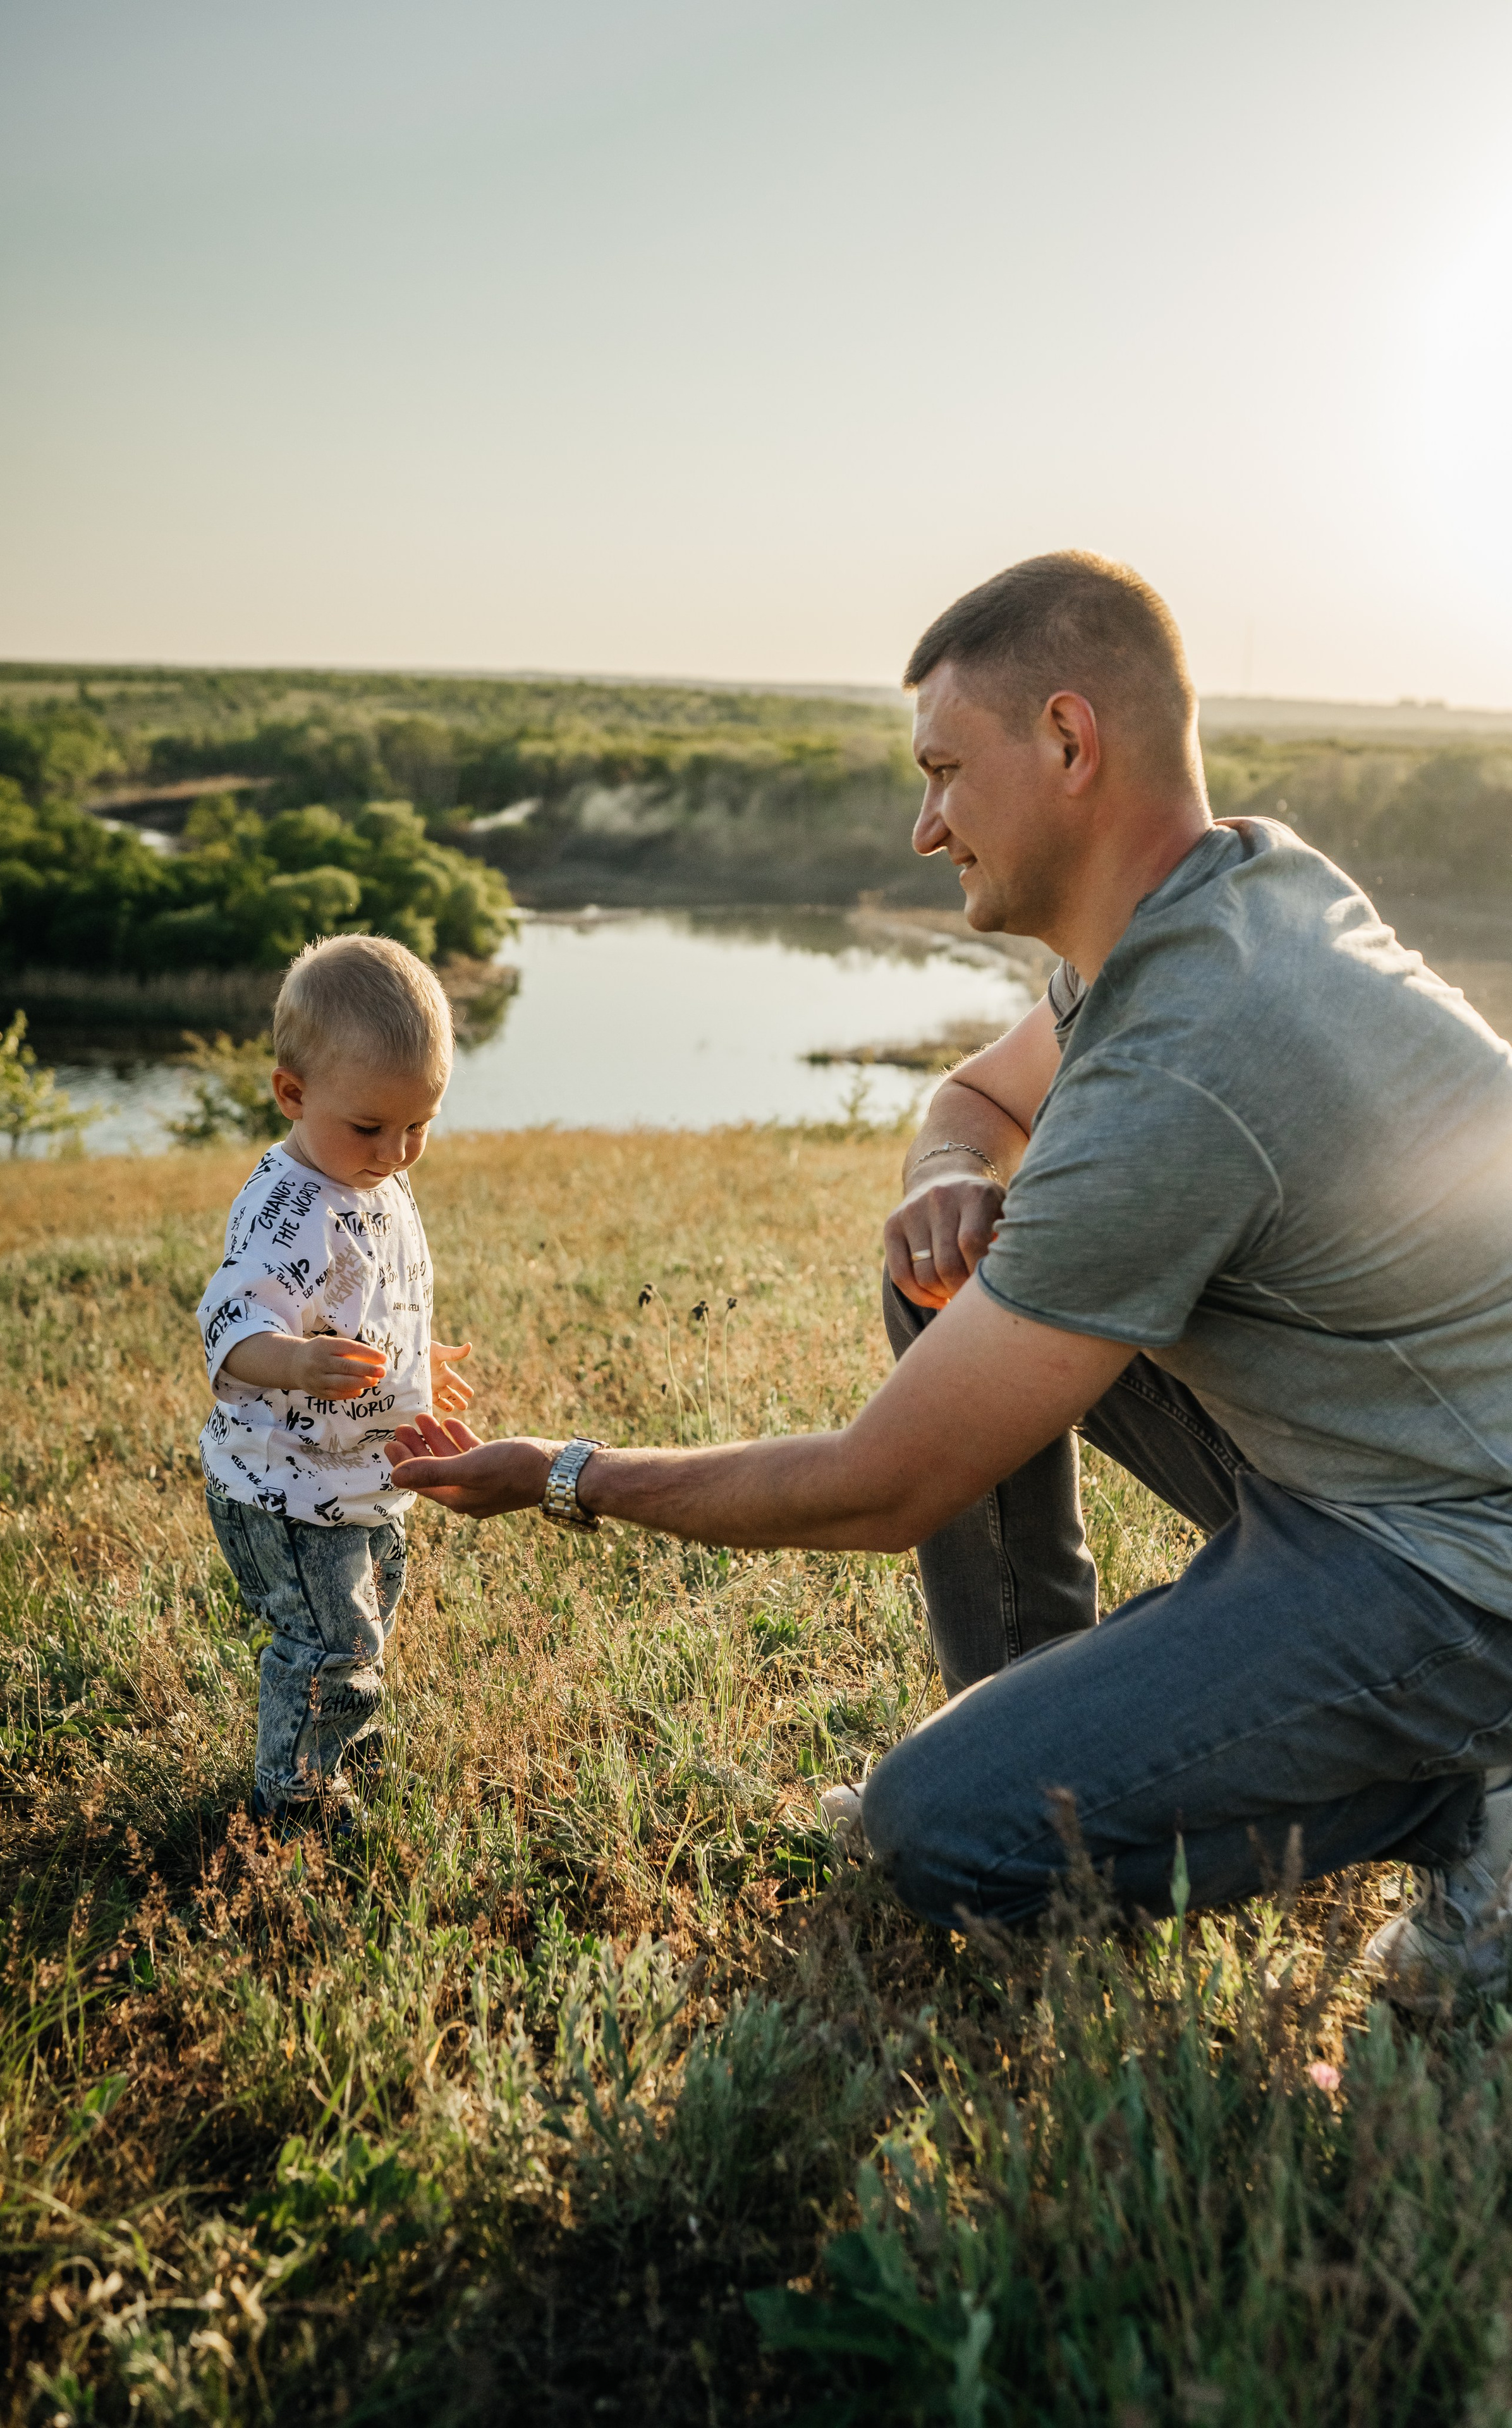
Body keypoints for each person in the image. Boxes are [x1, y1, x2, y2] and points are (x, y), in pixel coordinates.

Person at [386, 553, 1512, 2008]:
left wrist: (563, 1474)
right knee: (948, 1280)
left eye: (941, 774)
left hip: (1459, 1561)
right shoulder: (1230, 891)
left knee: (942, 1832)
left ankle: (1466, 1802)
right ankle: (1025, 1702)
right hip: (1395, 1452)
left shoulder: (1184, 1059)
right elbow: (974, 1097)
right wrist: (944, 1177)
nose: (923, 828)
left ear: (1065, 740)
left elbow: (885, 1485)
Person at [194, 933, 474, 1837]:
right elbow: (228, 1324)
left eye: (419, 1126)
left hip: (360, 1472)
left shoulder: (371, 1179)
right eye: (371, 1127)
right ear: (293, 1093)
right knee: (329, 1640)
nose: (397, 1151)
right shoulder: (284, 1206)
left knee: (371, 1609)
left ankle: (343, 1741)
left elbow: (374, 1300)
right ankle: (294, 1799)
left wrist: (414, 1366)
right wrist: (293, 1361)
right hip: (284, 1483)